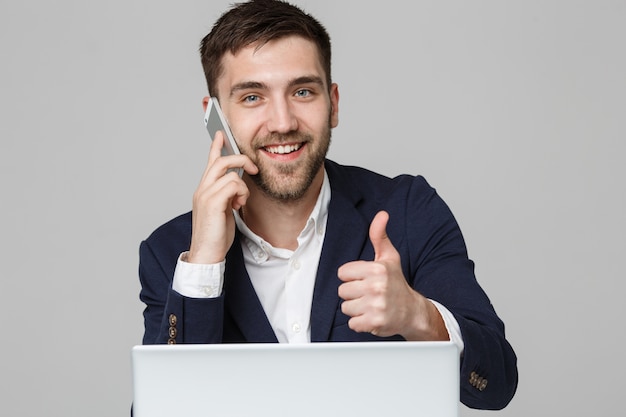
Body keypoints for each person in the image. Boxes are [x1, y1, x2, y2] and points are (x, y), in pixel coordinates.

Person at [138, 0, 518, 410]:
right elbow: (165, 409)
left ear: (333, 103)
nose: (283, 122)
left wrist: (418, 317)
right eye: (252, 97)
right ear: (214, 118)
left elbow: (497, 383)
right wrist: (204, 268)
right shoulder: (171, 254)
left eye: (303, 91)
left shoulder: (407, 211)